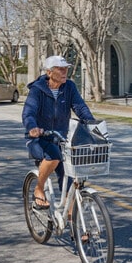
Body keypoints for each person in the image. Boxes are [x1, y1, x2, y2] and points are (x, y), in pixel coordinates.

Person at [22, 55, 94, 209]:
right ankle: (39, 189)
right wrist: (32, 128)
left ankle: (76, 227)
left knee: (70, 181)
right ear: (49, 72)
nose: (65, 72)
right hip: (39, 138)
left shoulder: (69, 87)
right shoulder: (37, 90)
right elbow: (29, 112)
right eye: (61, 69)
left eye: (66, 69)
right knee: (54, 155)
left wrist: (92, 123)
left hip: (61, 138)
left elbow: (80, 107)